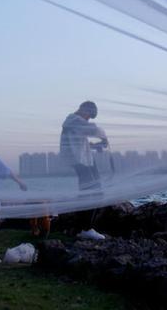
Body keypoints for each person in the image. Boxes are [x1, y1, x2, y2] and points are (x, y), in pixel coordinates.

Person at [59, 101, 108, 240]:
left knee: (89, 192)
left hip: (85, 160)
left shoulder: (73, 122)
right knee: (93, 192)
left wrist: (93, 145)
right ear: (84, 110)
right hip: (82, 162)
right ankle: (86, 228)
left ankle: (81, 228)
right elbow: (94, 130)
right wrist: (104, 138)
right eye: (89, 116)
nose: (87, 119)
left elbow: (79, 143)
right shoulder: (74, 120)